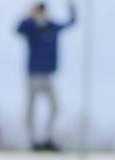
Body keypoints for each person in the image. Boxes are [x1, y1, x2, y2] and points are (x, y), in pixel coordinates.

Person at [16, 2, 76, 151]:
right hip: (33, 75)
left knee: (55, 107)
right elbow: (18, 29)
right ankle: (33, 141)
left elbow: (72, 22)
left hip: (48, 75)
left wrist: (71, 6)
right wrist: (28, 15)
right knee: (31, 108)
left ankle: (48, 138)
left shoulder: (52, 27)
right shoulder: (31, 27)